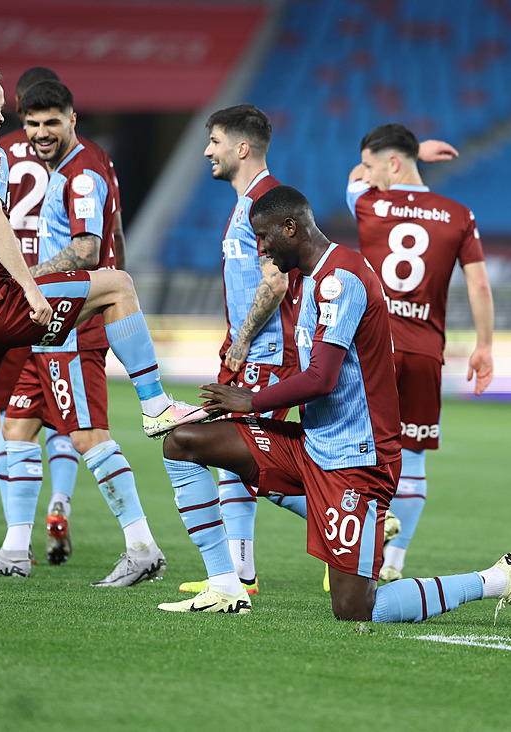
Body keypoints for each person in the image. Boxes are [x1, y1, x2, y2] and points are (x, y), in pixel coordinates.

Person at [155, 185, 511, 631]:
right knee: (184, 442)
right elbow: (308, 369)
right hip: (311, 444)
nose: (260, 248)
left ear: (290, 228)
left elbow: (321, 379)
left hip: (357, 460)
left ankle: (497, 580)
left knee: (356, 609)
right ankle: (226, 586)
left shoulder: (341, 279)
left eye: (264, 236)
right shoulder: (307, 280)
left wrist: (252, 401)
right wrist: (222, 406)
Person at [0, 63, 208, 601]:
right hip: (4, 309)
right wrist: (31, 290)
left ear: (70, 119)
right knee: (118, 286)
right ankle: (155, 407)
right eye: (6, 108)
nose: (14, 123)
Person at [0, 79, 169, 587]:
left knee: (86, 435)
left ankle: (142, 546)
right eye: (32, 123)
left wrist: (25, 279)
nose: (40, 132)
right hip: (46, 325)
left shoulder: (81, 173)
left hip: (72, 328)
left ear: (72, 119)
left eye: (51, 122)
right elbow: (114, 238)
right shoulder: (68, 169)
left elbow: (87, 249)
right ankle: (15, 549)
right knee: (16, 428)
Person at [347, 123, 494, 582]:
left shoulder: (367, 203)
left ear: (392, 163)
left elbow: (354, 177)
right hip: (425, 354)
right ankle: (393, 564)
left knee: (354, 449)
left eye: (373, 165)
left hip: (373, 349)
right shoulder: (459, 215)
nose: (368, 173)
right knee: (412, 460)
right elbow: (479, 284)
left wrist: (417, 150)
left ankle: (355, 552)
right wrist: (485, 345)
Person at [176, 104, 299, 598]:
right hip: (250, 350)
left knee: (249, 457)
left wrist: (244, 338)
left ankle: (356, 515)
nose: (207, 151)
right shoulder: (251, 200)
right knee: (236, 459)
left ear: (241, 148)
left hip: (265, 352)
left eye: (215, 141)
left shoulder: (264, 203)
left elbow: (276, 281)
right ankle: (240, 573)